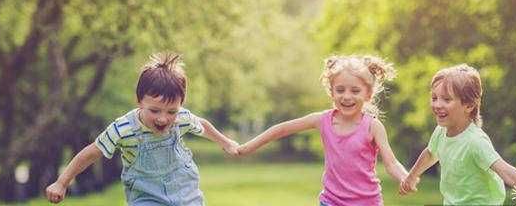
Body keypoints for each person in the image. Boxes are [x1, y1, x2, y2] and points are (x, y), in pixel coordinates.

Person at [45, 52, 239, 205]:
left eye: (171, 111)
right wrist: (62, 182)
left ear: (180, 105)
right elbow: (91, 153)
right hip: (146, 198)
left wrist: (226, 142)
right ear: (139, 102)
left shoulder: (181, 118)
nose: (163, 118)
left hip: (185, 194)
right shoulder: (123, 129)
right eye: (154, 110)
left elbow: (202, 126)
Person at [238, 55, 411, 206]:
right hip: (331, 201)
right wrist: (248, 147)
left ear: (368, 94)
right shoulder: (322, 120)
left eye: (355, 90)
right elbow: (281, 129)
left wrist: (406, 177)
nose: (347, 96)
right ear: (331, 92)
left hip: (366, 203)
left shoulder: (372, 126)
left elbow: (391, 162)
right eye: (340, 90)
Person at [399, 64, 516, 205]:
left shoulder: (475, 141)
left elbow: (506, 172)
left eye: (446, 99)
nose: (437, 105)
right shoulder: (441, 131)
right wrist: (411, 177)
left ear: (469, 105)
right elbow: (431, 154)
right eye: (434, 98)